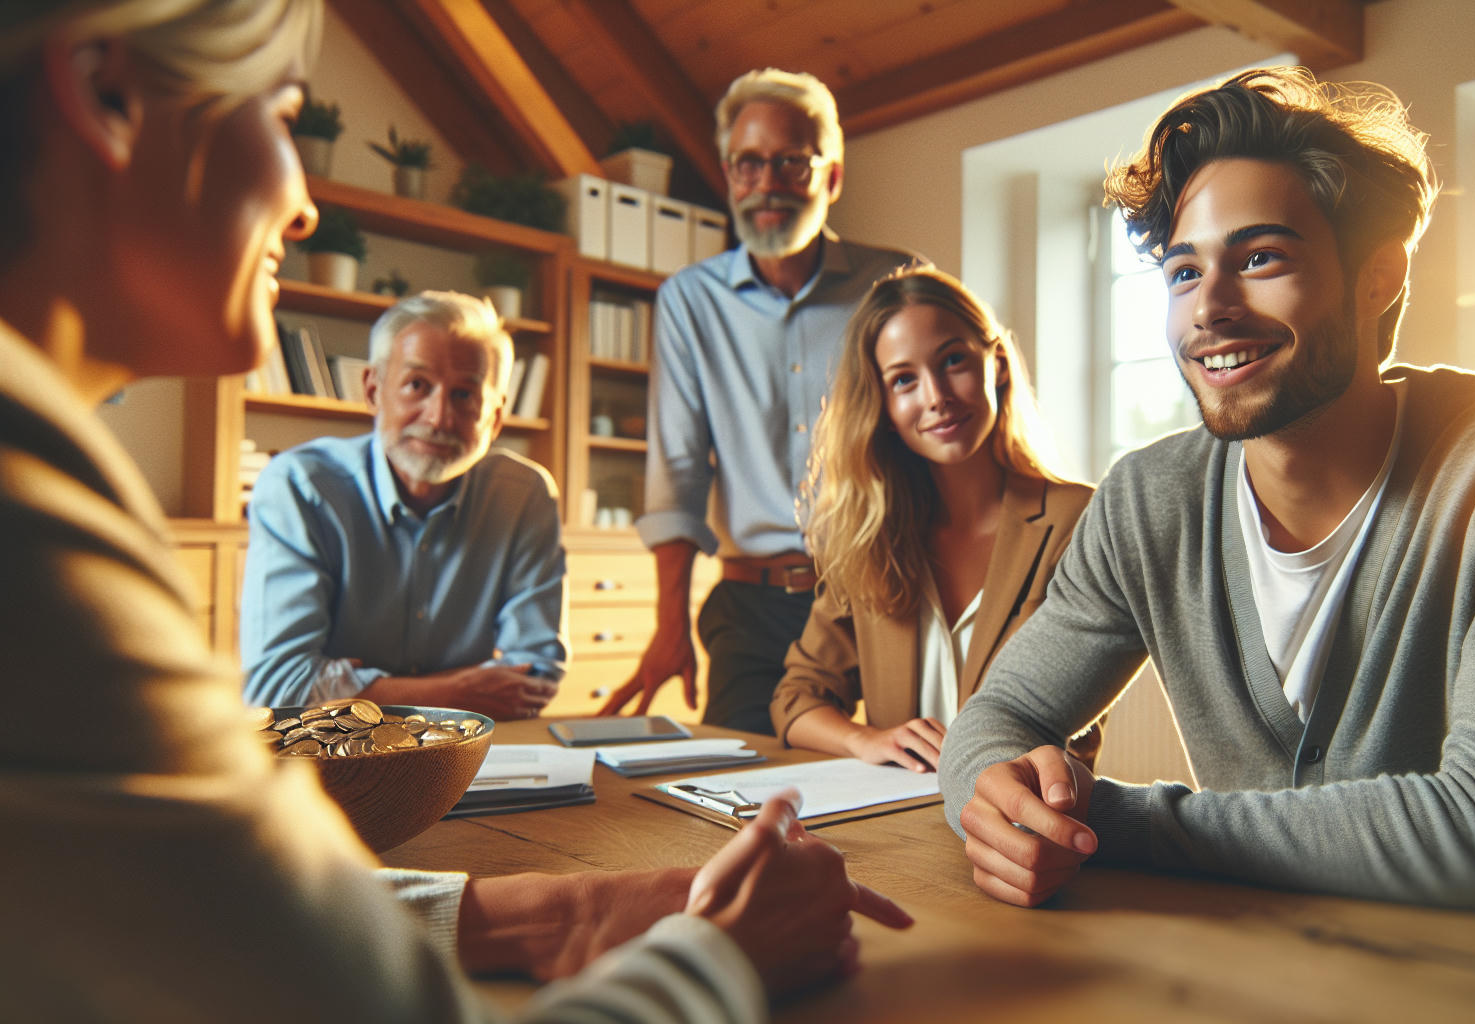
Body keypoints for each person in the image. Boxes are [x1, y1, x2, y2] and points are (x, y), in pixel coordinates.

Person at [0, 2, 909, 1019]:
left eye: (470, 391)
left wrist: (536, 915)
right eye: (283, 113)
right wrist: (720, 957)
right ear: (108, 97)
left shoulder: (48, 469)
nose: (303, 208)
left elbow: (188, 899)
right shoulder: (32, 502)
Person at [938, 67, 1475, 913]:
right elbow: (999, 713)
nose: (1210, 309)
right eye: (1184, 273)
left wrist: (1110, 822)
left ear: (1378, 277)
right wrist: (1004, 799)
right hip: (1255, 960)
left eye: (1261, 257)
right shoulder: (1146, 500)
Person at [599, 67, 919, 734]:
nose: (767, 183)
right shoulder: (689, 300)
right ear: (727, 175)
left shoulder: (896, 282)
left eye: (791, 163)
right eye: (748, 165)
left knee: (911, 783)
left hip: (888, 589)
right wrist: (668, 627)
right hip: (753, 604)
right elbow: (678, 472)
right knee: (734, 788)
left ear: (830, 178)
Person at [770, 267, 1100, 772]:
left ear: (998, 364)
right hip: (896, 825)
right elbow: (796, 700)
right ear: (881, 404)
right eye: (904, 379)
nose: (935, 396)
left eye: (952, 361)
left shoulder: (1074, 521)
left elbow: (1076, 727)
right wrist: (866, 741)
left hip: (1023, 820)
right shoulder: (868, 537)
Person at [240, 291, 565, 721]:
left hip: (468, 757)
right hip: (333, 757)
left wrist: (348, 689)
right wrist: (461, 693)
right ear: (373, 391)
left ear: (496, 417)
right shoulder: (301, 487)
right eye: (417, 386)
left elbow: (534, 674)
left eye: (465, 395)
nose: (438, 418)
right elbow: (277, 687)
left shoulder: (524, 495)